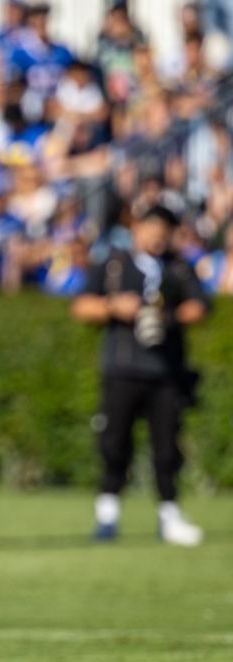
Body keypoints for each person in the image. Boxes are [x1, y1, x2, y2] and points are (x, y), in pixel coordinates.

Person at [70, 205, 209, 546]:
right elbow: (80, 305)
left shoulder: (176, 267)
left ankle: (169, 514)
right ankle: (108, 514)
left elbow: (200, 306)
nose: (158, 236)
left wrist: (168, 318)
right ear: (136, 229)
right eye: (152, 228)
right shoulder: (115, 263)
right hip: (121, 368)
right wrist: (113, 307)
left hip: (165, 371)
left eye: (164, 229)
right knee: (114, 443)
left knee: (166, 447)